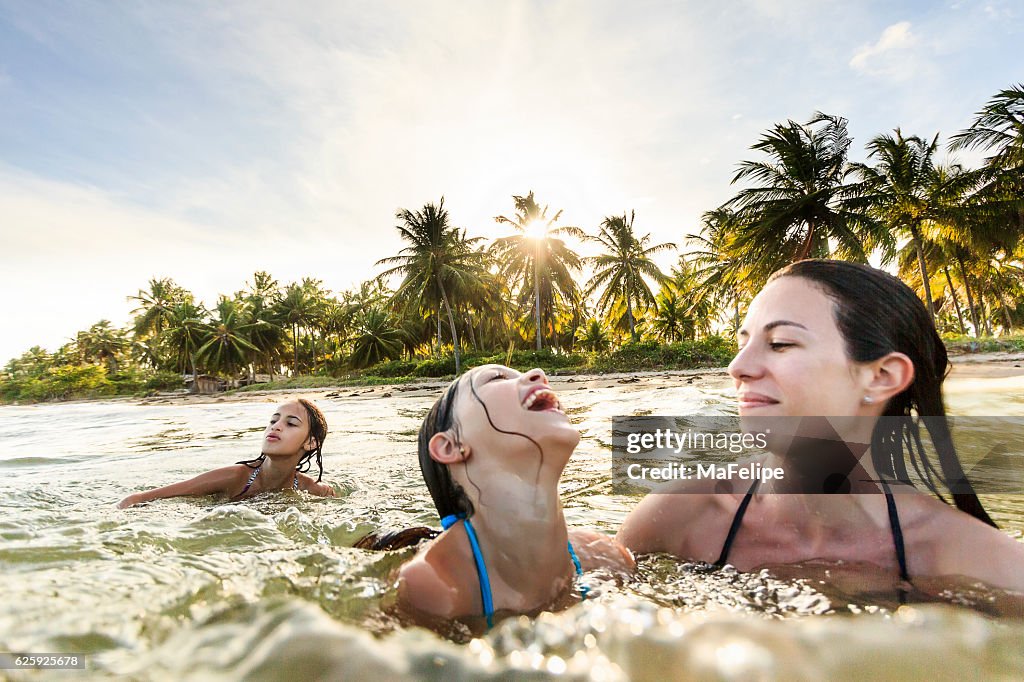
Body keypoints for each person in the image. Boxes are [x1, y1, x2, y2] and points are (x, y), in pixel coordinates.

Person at [618, 259, 1024, 593]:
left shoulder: (975, 559)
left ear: (881, 377)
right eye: (742, 343)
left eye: (780, 344)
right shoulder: (678, 515)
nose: (737, 367)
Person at [396, 365, 634, 629]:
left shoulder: (607, 558)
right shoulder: (433, 586)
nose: (539, 374)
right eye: (497, 378)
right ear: (451, 446)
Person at [118, 398, 334, 507]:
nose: (276, 427)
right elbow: (141, 498)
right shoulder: (236, 477)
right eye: (273, 420)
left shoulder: (310, 488)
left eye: (291, 423)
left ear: (311, 442)